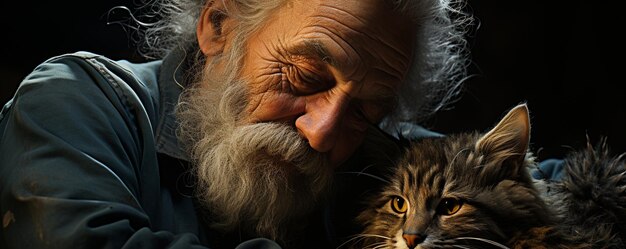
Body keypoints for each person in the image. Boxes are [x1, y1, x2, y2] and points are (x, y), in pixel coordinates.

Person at [0, 0, 473, 248]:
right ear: (219, 26)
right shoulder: (80, 100)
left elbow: (523, 179)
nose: (323, 132)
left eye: (364, 112)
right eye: (304, 76)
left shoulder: (374, 156)